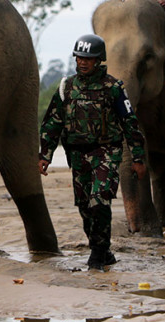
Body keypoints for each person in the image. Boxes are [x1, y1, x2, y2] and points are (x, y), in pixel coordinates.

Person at [38, 34, 147, 270]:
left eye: (88, 58)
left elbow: (130, 123)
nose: (82, 62)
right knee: (85, 207)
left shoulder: (113, 88)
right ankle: (103, 250)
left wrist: (138, 158)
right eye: (79, 58)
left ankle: (97, 254)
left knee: (100, 200)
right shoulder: (66, 87)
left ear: (99, 60)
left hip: (106, 152)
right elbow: (52, 122)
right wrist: (45, 155)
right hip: (77, 155)